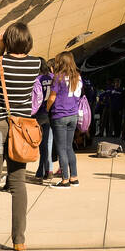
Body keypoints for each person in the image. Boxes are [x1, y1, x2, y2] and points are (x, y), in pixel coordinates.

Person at [0, 22, 45, 251]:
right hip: (21, 130)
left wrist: (2, 46)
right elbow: (27, 58)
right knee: (18, 182)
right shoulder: (35, 64)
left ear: (7, 40)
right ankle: (19, 240)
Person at [47, 54, 82, 187]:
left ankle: (65, 180)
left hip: (60, 115)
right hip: (73, 115)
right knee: (69, 147)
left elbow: (52, 97)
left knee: (61, 148)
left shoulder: (58, 77)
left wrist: (47, 109)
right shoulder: (77, 76)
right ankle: (74, 177)